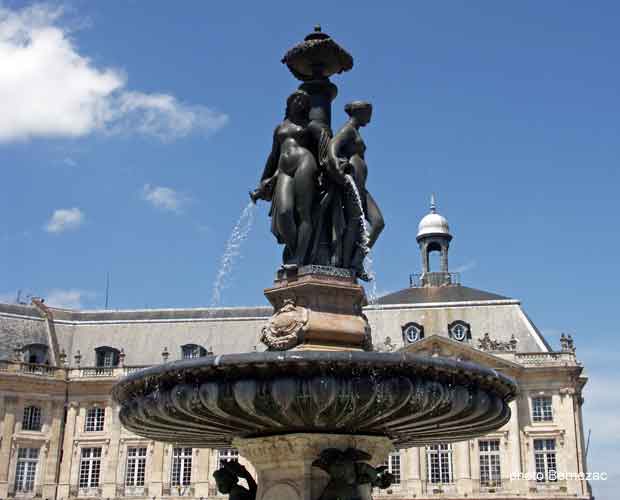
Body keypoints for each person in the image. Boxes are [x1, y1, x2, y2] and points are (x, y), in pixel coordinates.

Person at [250, 90, 319, 269]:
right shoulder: (279, 128)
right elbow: (273, 156)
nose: (300, 103)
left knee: (303, 212)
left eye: (304, 101)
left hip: (304, 161)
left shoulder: (310, 126)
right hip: (283, 169)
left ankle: (299, 257)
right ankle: (295, 249)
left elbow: (325, 149)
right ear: (289, 104)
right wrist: (263, 181)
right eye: (296, 99)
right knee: (284, 212)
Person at [327, 101, 384, 279]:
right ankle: (346, 265)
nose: (370, 117)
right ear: (360, 112)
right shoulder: (348, 129)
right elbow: (332, 147)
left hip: (361, 185)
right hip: (352, 182)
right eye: (369, 113)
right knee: (354, 222)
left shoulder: (355, 131)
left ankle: (357, 260)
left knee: (378, 222)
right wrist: (338, 167)